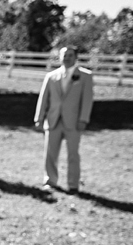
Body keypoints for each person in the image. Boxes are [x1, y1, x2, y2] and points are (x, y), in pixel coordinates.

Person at [34, 45, 94, 194]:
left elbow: (87, 100)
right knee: (50, 153)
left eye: (70, 55)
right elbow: (43, 99)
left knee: (73, 154)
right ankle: (50, 180)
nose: (67, 58)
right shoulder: (51, 76)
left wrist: (83, 119)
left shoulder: (85, 76)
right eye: (64, 55)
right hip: (53, 120)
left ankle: (73, 185)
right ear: (60, 57)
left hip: (73, 122)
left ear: (76, 57)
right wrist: (39, 118)